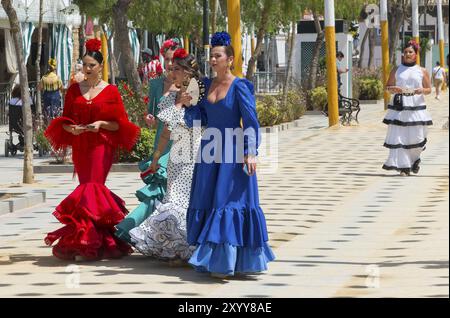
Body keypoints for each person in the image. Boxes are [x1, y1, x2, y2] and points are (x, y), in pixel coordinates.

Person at [183, 32, 275, 278]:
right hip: (209, 152)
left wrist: (251, 152)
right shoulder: (202, 85)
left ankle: (224, 262)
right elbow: (197, 121)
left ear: (230, 59)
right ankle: (214, 259)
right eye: (211, 55)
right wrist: (188, 105)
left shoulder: (240, 86)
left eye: (218, 55)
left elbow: (251, 123)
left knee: (226, 204)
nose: (213, 59)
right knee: (208, 201)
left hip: (233, 154)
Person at [43, 38, 140, 261]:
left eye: (91, 65)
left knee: (93, 187)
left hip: (101, 147)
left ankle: (89, 243)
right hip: (80, 146)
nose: (87, 69)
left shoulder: (111, 91)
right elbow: (64, 120)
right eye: (84, 65)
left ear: (100, 66)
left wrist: (101, 125)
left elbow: (119, 124)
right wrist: (72, 129)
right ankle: (93, 241)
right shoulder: (73, 90)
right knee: (86, 187)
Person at [129, 49, 204, 264]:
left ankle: (190, 248)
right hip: (176, 158)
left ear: (188, 72)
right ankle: (176, 248)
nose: (173, 73)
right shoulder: (172, 97)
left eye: (177, 69)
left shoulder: (197, 95)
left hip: (195, 155)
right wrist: (156, 157)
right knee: (173, 200)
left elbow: (196, 123)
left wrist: (180, 103)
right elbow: (165, 132)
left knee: (188, 202)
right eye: (172, 69)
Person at [114, 38, 182, 244]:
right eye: (166, 59)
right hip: (161, 143)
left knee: (169, 194)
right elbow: (151, 115)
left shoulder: (189, 85)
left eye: (173, 60)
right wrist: (149, 119)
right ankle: (141, 233)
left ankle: (148, 233)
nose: (170, 64)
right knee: (159, 191)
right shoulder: (155, 84)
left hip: (180, 144)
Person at [383, 40, 432, 176]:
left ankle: (415, 159)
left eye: (410, 52)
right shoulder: (396, 70)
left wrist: (421, 90)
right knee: (400, 137)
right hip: (400, 107)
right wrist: (394, 89)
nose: (407, 54)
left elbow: (429, 89)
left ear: (416, 54)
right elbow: (388, 87)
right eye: (405, 52)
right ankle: (404, 167)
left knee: (417, 137)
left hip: (417, 108)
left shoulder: (422, 71)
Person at [38, 58, 64, 123]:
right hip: (56, 96)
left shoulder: (44, 78)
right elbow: (62, 88)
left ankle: (47, 126)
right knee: (55, 113)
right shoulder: (57, 78)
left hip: (46, 96)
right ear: (55, 68)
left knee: (47, 112)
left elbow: (39, 88)